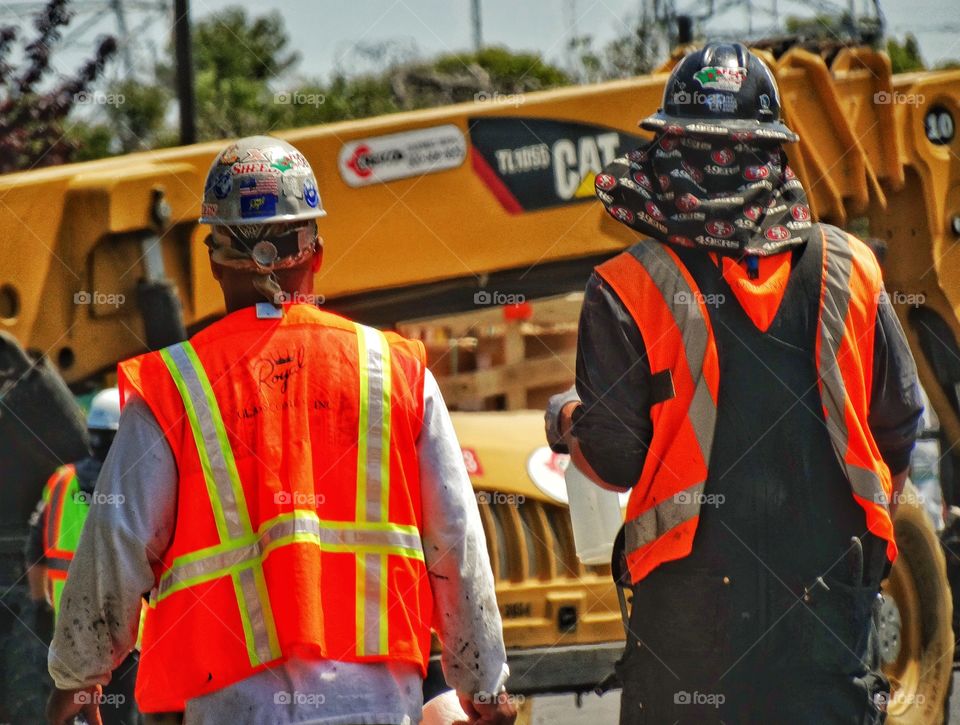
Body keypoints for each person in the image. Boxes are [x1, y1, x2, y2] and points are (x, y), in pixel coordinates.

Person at [46, 135, 516, 725]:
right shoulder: (393, 371)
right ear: (315, 251)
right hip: (374, 702)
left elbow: (118, 537)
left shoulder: (175, 387)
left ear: (212, 259)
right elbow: (455, 538)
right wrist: (483, 684)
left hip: (232, 703)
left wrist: (80, 675)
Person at [546, 42, 922, 724]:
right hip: (828, 610)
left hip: (692, 627)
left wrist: (569, 420)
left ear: (669, 150)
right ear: (774, 155)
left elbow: (614, 455)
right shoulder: (852, 268)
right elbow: (897, 427)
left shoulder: (629, 285)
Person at [25, 387, 142, 725]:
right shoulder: (135, 484)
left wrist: (38, 607)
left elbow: (35, 552)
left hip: (70, 635)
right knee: (120, 716)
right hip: (127, 637)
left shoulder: (62, 482)